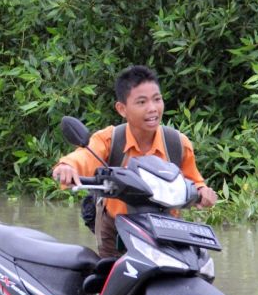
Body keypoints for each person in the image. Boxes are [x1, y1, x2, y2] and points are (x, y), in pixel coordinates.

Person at [52, 65, 218, 258]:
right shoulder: (110, 139)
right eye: (141, 102)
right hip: (117, 232)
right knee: (107, 281)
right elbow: (84, 155)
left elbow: (194, 182)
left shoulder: (177, 144)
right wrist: (66, 166)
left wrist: (203, 192)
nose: (153, 108)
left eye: (157, 99)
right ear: (122, 109)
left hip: (166, 231)